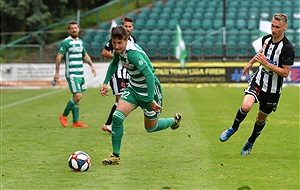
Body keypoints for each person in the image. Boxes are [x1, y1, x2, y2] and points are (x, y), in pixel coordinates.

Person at [100, 26, 182, 165]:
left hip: (150, 92)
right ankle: (115, 156)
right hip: (133, 89)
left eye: (120, 43)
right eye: (114, 43)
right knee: (117, 117)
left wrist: (150, 99)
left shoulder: (133, 54)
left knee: (151, 128)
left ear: (126, 40)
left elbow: (149, 75)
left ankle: (173, 121)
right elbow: (114, 63)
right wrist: (105, 82)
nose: (116, 46)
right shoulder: (119, 51)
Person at [219, 13, 295, 155]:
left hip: (272, 89)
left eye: (277, 27)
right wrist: (250, 63)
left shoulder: (288, 48)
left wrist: (266, 63)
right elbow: (261, 52)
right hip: (258, 80)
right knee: (246, 106)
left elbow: (285, 73)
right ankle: (233, 128)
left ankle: (250, 142)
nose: (274, 29)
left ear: (285, 28)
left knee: (260, 118)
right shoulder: (266, 39)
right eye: (272, 26)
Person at [54, 20, 96, 128]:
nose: (74, 29)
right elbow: (59, 56)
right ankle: (64, 115)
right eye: (72, 28)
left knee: (77, 97)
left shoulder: (80, 42)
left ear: (78, 29)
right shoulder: (66, 42)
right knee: (78, 96)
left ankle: (76, 121)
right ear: (69, 30)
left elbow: (85, 55)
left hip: (80, 74)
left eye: (76, 28)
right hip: (72, 73)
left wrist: (92, 66)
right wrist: (57, 72)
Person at [101, 16, 136, 133]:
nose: (128, 28)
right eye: (125, 26)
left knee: (121, 101)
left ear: (133, 28)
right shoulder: (117, 40)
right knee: (121, 100)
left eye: (130, 26)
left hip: (127, 74)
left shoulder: (133, 40)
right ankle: (111, 125)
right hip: (117, 73)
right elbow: (104, 52)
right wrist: (117, 56)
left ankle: (109, 124)